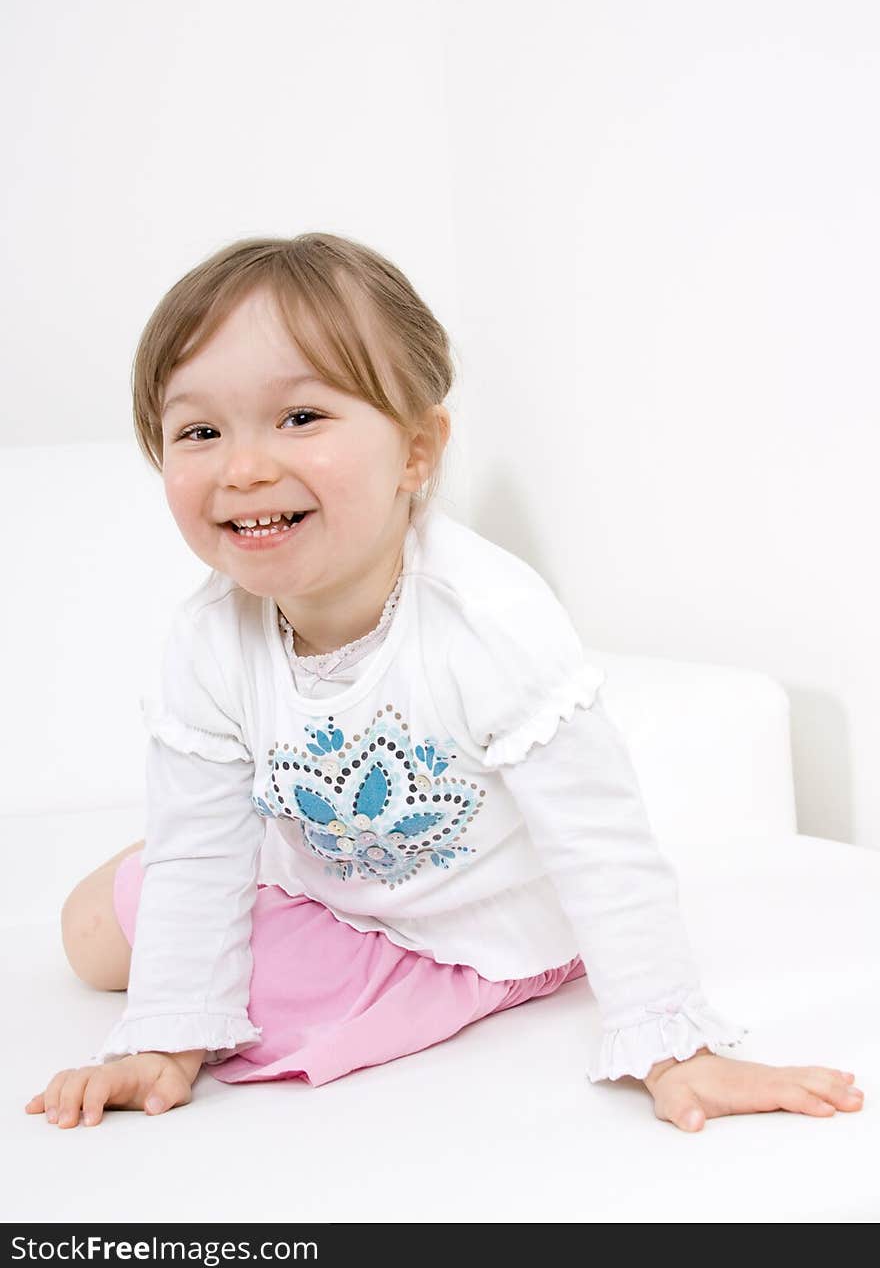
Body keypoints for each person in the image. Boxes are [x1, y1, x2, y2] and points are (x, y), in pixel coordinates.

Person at [26, 233, 863, 1133]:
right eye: (199, 431)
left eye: (300, 418)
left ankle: (498, 973)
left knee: (143, 941)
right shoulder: (208, 633)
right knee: (95, 927)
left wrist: (672, 1044)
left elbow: (600, 841)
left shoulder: (485, 618)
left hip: (468, 935)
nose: (244, 468)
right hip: (333, 881)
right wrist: (164, 1039)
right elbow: (196, 843)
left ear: (417, 451)